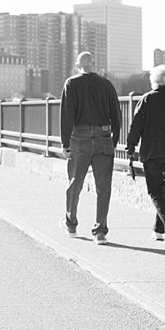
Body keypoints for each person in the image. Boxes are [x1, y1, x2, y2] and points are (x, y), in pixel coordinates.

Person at [61, 51, 122, 244]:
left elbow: (67, 116)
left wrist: (65, 143)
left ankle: (71, 225)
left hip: (80, 138)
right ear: (93, 64)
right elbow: (116, 116)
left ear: (78, 65)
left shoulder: (71, 84)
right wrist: (113, 140)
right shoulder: (106, 85)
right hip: (104, 137)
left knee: (75, 183)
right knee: (103, 187)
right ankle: (100, 232)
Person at [125, 65, 165, 246]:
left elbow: (136, 126)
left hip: (153, 151)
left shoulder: (147, 100)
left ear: (153, 81)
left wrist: (130, 147)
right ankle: (159, 230)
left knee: (155, 190)